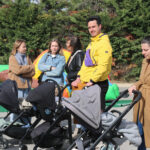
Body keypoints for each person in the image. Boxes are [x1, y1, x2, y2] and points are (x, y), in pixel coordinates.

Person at [72, 16, 113, 111]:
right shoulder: (91, 44)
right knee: (87, 115)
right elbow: (85, 64)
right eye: (89, 27)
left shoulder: (104, 43)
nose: (91, 29)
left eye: (93, 27)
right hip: (88, 83)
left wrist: (92, 80)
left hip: (98, 83)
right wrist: (79, 77)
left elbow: (103, 65)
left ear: (100, 26)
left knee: (98, 116)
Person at [128, 36, 150, 150]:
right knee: (140, 131)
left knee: (147, 131)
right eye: (142, 49)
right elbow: (142, 79)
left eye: (146, 50)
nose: (143, 52)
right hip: (141, 100)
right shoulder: (144, 61)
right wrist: (135, 85)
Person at [8, 39, 35, 124]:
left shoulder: (27, 57)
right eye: (23, 46)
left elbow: (33, 71)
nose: (25, 48)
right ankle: (14, 125)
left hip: (27, 87)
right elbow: (17, 70)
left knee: (27, 107)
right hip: (17, 87)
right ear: (17, 47)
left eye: (25, 46)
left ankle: (27, 125)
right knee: (17, 108)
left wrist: (23, 71)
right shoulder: (12, 57)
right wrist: (28, 68)